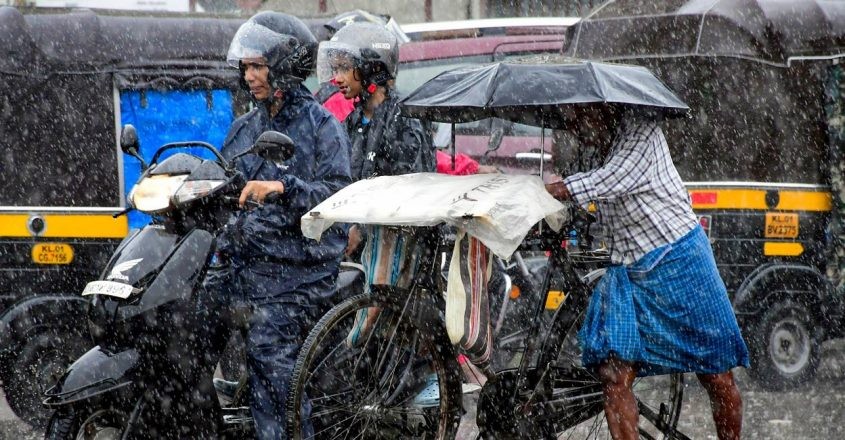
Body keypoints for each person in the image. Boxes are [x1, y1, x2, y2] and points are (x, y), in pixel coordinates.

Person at [545, 106, 749, 440]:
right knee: (613, 375)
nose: (576, 129)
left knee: (716, 373)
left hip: (681, 261)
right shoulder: (597, 147)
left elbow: (606, 181)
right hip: (629, 272)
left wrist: (549, 191)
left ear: (605, 111)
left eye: (581, 118)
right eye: (571, 122)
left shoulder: (642, 133)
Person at [209, 11, 352, 439]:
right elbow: (223, 183)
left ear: (284, 67)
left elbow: (336, 195)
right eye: (246, 67)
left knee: (270, 351)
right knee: (183, 318)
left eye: (258, 66)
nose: (249, 76)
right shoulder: (244, 128)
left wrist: (283, 188)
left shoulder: (321, 125)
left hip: (301, 267)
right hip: (250, 260)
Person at [315, 9, 409, 122]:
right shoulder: (353, 119)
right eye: (335, 69)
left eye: (345, 68)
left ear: (372, 68)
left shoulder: (402, 118)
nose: (337, 79)